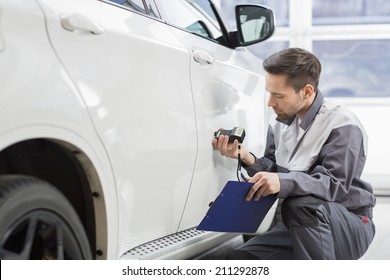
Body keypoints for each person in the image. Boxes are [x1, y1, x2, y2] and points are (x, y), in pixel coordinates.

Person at [212, 47, 376, 260]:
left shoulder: (342, 124)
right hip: (300, 224)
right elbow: (274, 167)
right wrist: (246, 157)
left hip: (347, 223)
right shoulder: (278, 122)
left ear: (307, 91)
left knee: (302, 205)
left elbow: (334, 185)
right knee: (239, 260)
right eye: (269, 93)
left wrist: (283, 181)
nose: (270, 102)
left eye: (278, 95)